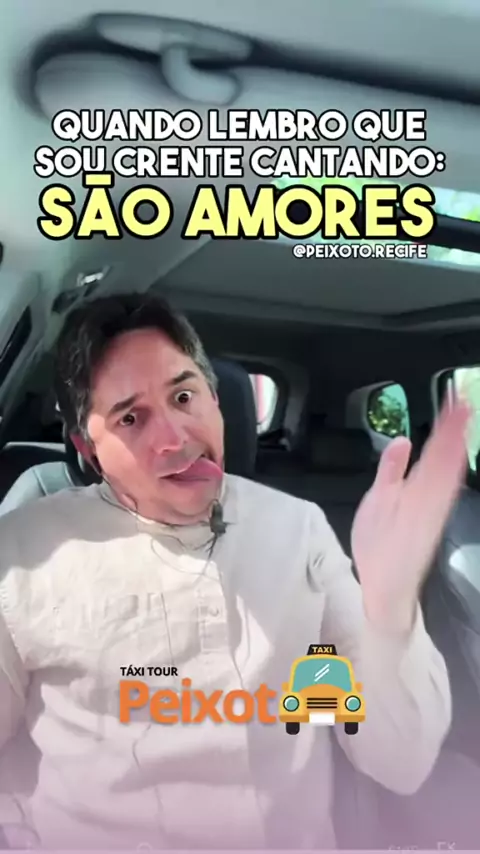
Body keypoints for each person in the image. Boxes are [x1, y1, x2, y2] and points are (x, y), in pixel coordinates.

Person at [0, 292, 470, 850]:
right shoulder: (25, 551)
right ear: (88, 449)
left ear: (216, 402)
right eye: (131, 417)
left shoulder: (298, 529)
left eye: (184, 396)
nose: (176, 437)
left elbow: (397, 762)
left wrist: (389, 611)